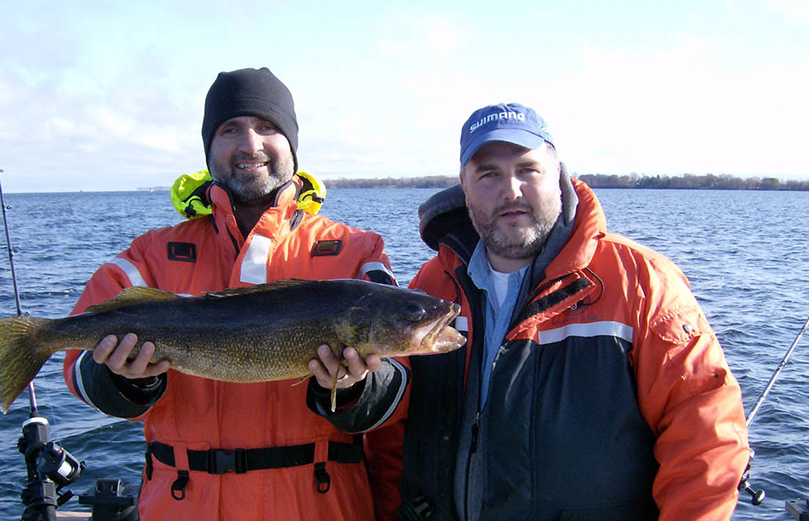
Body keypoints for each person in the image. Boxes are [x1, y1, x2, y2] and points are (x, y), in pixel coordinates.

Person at [309, 103, 751, 520]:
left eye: (528, 170)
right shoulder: (432, 287)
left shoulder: (641, 282)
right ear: (464, 186)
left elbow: (706, 440)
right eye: (489, 174)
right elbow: (393, 440)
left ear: (557, 174)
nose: (511, 190)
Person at [62, 67, 406, 521]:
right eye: (230, 130)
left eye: (267, 127)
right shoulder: (147, 257)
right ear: (209, 148)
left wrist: (354, 387)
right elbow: (78, 368)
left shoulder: (359, 253)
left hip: (320, 504)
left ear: (292, 144)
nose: (250, 144)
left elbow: (400, 393)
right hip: (182, 507)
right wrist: (127, 380)